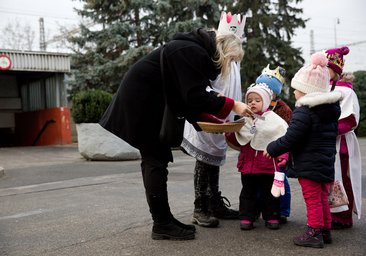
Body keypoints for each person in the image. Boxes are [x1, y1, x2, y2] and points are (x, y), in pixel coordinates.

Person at [99, 28, 253, 240]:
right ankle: (162, 223)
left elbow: (185, 97)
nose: (231, 64)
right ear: (224, 53)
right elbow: (194, 96)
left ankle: (164, 220)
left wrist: (213, 122)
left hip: (148, 102)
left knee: (156, 159)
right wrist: (233, 105)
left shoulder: (191, 51)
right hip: (142, 102)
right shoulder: (191, 52)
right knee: (155, 159)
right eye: (232, 59)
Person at [264, 52, 342, 248]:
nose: (294, 93)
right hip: (325, 163)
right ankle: (325, 230)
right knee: (322, 197)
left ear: (307, 91)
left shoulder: (305, 111)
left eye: (297, 89)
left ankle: (314, 232)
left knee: (313, 199)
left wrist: (273, 148)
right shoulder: (329, 111)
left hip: (310, 163)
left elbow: (292, 137)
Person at [181, 11, 246, 228]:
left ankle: (214, 202)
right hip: (207, 115)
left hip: (224, 117)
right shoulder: (210, 58)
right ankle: (200, 207)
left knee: (215, 159)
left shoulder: (233, 61)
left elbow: (233, 87)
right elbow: (204, 89)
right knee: (204, 160)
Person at [226, 83, 288, 230]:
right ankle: (247, 217)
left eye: (257, 100)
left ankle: (271, 216)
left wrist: (283, 156)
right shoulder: (244, 119)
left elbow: (283, 139)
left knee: (270, 193)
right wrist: (230, 131)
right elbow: (238, 140)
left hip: (267, 165)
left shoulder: (275, 121)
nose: (252, 103)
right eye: (249, 100)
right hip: (248, 165)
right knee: (247, 193)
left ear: (265, 102)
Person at [325, 47, 362, 229]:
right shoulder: (325, 89)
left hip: (342, 145)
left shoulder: (346, 93)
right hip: (328, 143)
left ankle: (344, 216)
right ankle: (332, 213)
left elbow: (349, 119)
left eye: (327, 68)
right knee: (329, 179)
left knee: (343, 179)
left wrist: (327, 129)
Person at [255, 65, 292, 224]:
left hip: (277, 151)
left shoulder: (283, 109)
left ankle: (282, 211)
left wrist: (285, 153)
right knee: (256, 181)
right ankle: (256, 209)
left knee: (280, 181)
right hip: (259, 150)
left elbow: (289, 132)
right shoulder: (255, 105)